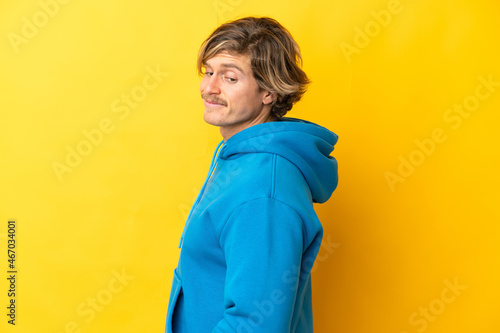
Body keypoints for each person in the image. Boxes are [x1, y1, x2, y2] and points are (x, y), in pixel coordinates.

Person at [165, 16, 338, 332]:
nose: (210, 87)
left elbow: (255, 324)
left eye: (230, 78)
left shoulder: (264, 191)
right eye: (209, 72)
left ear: (269, 92)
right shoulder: (240, 159)